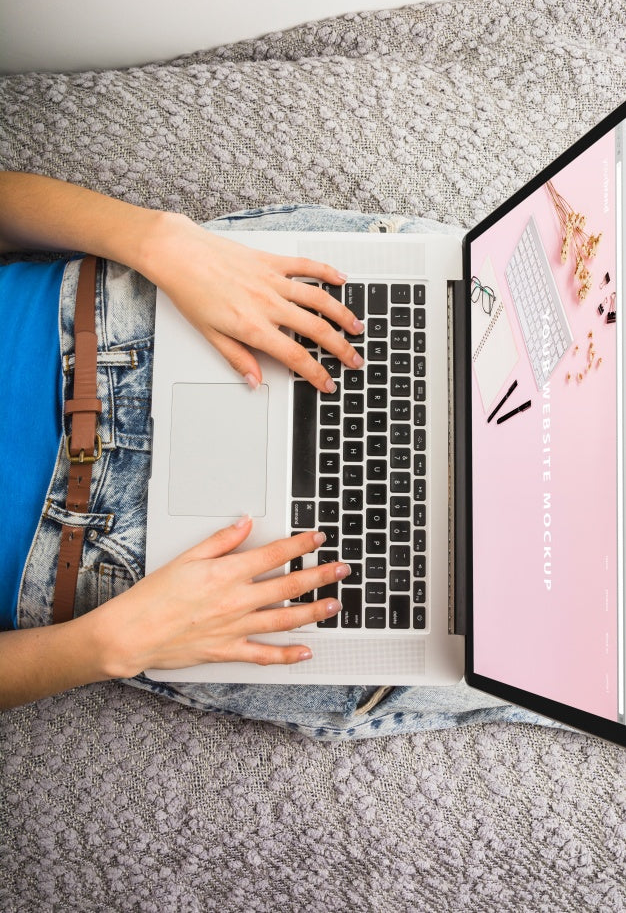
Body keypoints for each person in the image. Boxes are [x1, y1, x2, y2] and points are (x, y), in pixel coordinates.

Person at [0, 171, 554, 738]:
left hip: (148, 306)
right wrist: (108, 646)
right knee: (533, 642)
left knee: (550, 342)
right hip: (127, 576)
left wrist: (157, 237)